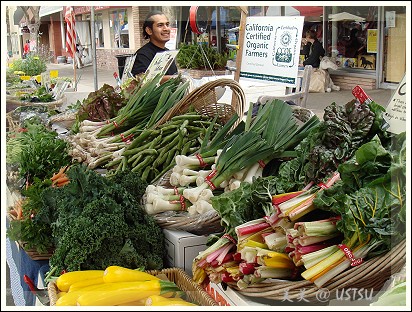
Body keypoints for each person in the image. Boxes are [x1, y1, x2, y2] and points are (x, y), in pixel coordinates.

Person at [131, 10, 178, 83]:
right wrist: (174, 78)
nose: (166, 29)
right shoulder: (142, 55)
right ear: (149, 30)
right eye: (160, 25)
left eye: (167, 24)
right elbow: (142, 81)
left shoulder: (168, 53)